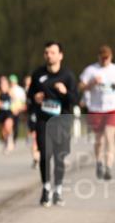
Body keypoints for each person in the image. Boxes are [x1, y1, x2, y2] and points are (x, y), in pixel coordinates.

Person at [29, 41, 79, 206]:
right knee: (45, 154)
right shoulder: (38, 74)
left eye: (52, 52)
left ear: (60, 55)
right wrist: (35, 98)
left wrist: (65, 92)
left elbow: (75, 99)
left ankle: (58, 189)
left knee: (59, 156)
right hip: (43, 120)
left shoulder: (68, 75)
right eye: (46, 53)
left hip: (62, 121)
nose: (49, 56)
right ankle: (46, 188)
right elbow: (29, 95)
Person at [79, 45, 115, 181]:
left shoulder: (114, 70)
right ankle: (99, 162)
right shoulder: (91, 70)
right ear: (98, 57)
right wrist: (92, 83)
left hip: (111, 108)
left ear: (111, 57)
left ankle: (108, 167)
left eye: (107, 58)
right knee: (99, 140)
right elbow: (81, 86)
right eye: (102, 58)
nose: (104, 60)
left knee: (109, 137)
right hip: (96, 109)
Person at [0, 75, 16, 154]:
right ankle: (6, 142)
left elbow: (15, 100)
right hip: (1, 113)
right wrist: (0, 104)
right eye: (1, 82)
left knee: (8, 125)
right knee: (3, 130)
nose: (3, 84)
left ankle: (10, 140)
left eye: (4, 82)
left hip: (9, 112)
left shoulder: (10, 90)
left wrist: (12, 105)